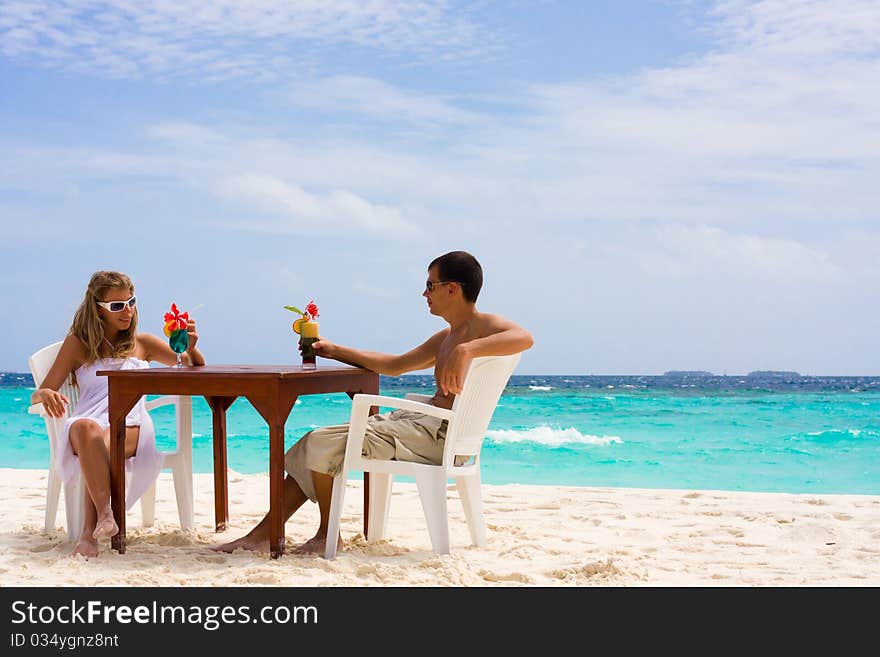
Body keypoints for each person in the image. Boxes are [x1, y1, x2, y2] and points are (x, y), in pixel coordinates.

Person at [214, 250, 533, 555]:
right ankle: (265, 533)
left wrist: (468, 350)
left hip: (435, 436)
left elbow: (524, 337)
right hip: (418, 427)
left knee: (320, 441)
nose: (424, 294)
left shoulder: (483, 327)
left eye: (429, 285)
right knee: (312, 441)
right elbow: (395, 365)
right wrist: (336, 350)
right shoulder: (447, 336)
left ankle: (326, 535)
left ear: (452, 289)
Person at [31, 271, 205, 558]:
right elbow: (41, 391)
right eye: (117, 306)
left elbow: (189, 364)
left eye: (131, 302)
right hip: (86, 422)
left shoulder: (143, 343)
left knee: (105, 441)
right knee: (87, 428)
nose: (128, 311)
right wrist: (46, 394)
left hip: (131, 423)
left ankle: (90, 533)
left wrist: (191, 346)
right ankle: (105, 514)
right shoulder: (78, 344)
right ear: (97, 308)